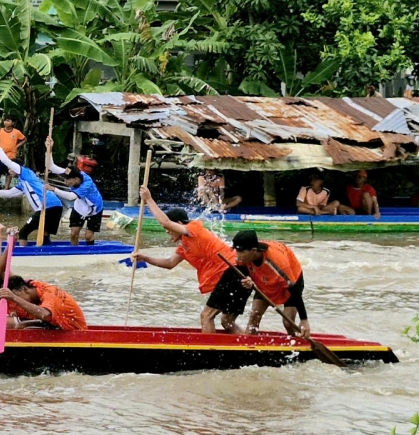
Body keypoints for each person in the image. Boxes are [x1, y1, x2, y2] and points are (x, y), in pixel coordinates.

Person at [132, 187, 249, 334]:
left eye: (169, 229)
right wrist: (145, 258)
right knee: (227, 322)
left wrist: (148, 199)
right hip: (238, 273)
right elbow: (169, 264)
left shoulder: (193, 228)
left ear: (180, 224)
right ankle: (248, 346)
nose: (167, 231)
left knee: (206, 316)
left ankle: (209, 354)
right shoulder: (184, 247)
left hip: (232, 272)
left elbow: (166, 223)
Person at [0, 227, 87, 329]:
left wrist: (14, 298)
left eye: (12, 297)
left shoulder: (48, 294)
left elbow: (45, 315)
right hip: (49, 324)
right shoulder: (18, 285)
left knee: (11, 323)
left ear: (24, 290)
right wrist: (4, 239)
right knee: (6, 321)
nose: (11, 302)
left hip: (70, 330)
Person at [233, 230, 310, 337]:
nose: (237, 255)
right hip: (265, 280)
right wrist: (247, 279)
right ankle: (250, 344)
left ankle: (296, 341)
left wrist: (304, 320)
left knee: (288, 322)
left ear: (253, 250)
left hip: (291, 281)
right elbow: (242, 272)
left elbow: (295, 291)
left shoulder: (278, 263)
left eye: (241, 252)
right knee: (255, 314)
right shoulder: (243, 256)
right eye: (236, 250)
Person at [0, 144, 64, 244]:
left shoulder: (25, 172)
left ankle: (21, 256)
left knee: (23, 233)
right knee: (45, 233)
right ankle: (46, 252)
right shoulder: (23, 182)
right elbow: (9, 193)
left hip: (47, 206)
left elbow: (5, 160)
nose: (9, 171)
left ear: (16, 168)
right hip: (57, 205)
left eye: (10, 169)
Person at [44, 137, 106, 244]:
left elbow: (71, 197)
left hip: (94, 208)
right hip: (80, 207)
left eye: (68, 181)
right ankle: (74, 250)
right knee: (73, 233)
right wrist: (49, 149)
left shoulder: (86, 184)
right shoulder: (71, 172)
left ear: (76, 179)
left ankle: (90, 252)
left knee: (88, 236)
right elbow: (50, 166)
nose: (66, 183)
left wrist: (54, 189)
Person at [0, 117, 25, 189]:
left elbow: (24, 139)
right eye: (5, 120)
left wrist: (17, 146)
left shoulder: (16, 132)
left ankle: (6, 188)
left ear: (12, 123)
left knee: (9, 173)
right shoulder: (0, 131)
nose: (6, 122)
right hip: (1, 156)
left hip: (11, 156)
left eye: (8, 121)